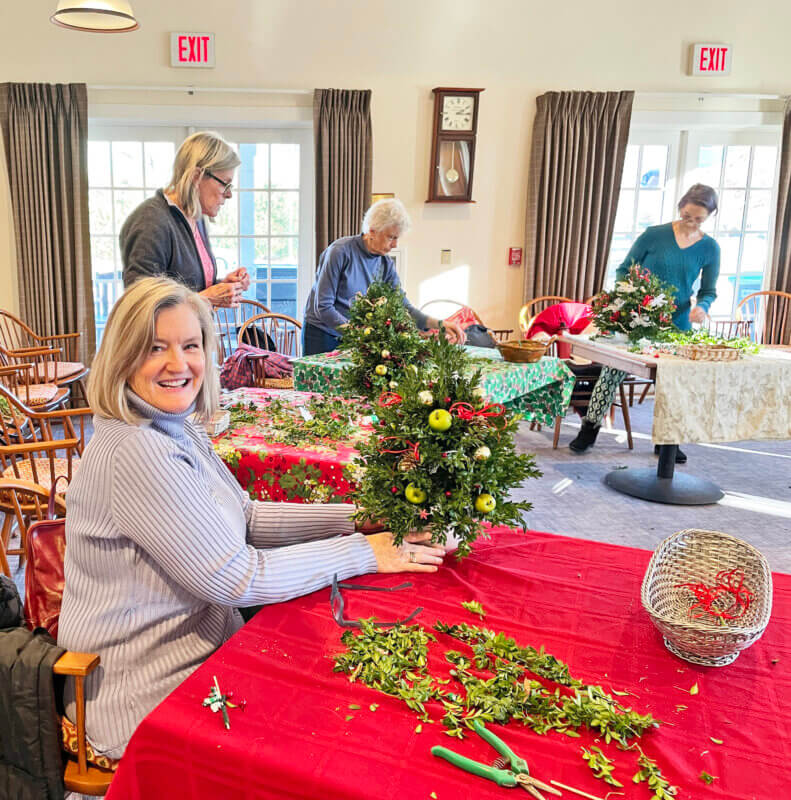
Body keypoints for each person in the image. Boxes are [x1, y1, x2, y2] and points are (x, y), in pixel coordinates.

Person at [57, 277, 447, 759]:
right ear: (122, 357)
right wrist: (364, 552)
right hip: (141, 693)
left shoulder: (173, 427)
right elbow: (236, 577)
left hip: (204, 653)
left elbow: (247, 516)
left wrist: (358, 519)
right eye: (154, 348)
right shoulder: (137, 449)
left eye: (190, 345)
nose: (178, 364)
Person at [569, 184, 721, 460]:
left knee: (674, 382)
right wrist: (632, 296)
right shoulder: (655, 236)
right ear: (681, 207)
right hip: (637, 319)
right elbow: (624, 269)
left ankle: (668, 441)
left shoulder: (710, 248)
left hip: (677, 325)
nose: (692, 222)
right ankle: (589, 429)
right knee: (612, 372)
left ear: (709, 216)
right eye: (688, 215)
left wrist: (703, 306)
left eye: (699, 219)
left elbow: (708, 290)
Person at [303, 198, 467, 354]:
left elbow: (404, 307)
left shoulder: (386, 264)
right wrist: (359, 333)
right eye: (391, 237)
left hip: (356, 335)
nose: (395, 244)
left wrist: (440, 324)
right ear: (372, 231)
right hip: (322, 334)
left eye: (397, 238)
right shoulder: (339, 252)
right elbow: (323, 308)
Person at [120, 131, 250, 308]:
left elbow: (192, 288)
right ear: (197, 177)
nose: (229, 194)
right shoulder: (151, 221)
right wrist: (205, 298)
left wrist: (221, 289)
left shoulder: (196, 219)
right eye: (224, 184)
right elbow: (140, 304)